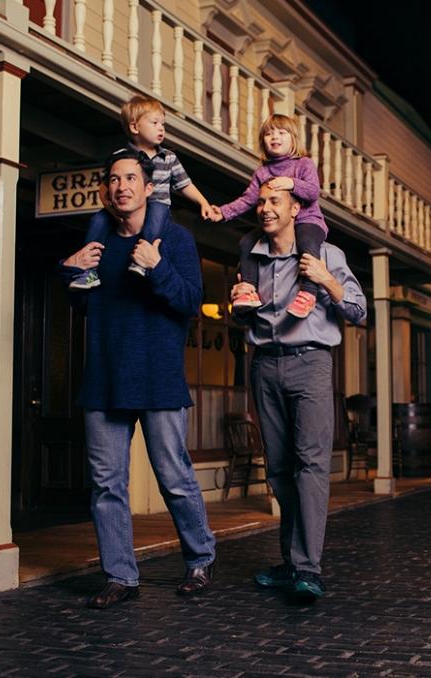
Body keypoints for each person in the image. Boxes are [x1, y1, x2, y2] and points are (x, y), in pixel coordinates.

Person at [59, 149, 216, 609]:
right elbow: (84, 304)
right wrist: (70, 269)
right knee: (107, 484)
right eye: (114, 179)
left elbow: (190, 301)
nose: (122, 185)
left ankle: (201, 559)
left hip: (157, 377)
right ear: (107, 191)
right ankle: (120, 576)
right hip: (104, 379)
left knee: (174, 476)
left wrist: (156, 266)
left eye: (131, 178)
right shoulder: (98, 243)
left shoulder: (175, 238)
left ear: (149, 188)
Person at [230, 184, 366, 602]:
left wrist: (327, 281)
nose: (265, 208)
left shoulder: (326, 253)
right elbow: (245, 320)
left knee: (311, 466)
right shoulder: (251, 256)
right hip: (264, 365)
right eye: (261, 202)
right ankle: (291, 562)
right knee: (279, 469)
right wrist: (237, 300)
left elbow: (359, 311)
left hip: (311, 362)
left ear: (296, 208)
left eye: (275, 202)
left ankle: (308, 568)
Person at [70, 94, 213, 288]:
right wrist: (114, 213)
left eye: (163, 124)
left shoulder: (168, 157)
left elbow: (184, 184)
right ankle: (88, 270)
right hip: (124, 211)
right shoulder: (120, 158)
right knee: (98, 220)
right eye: (155, 123)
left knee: (157, 211)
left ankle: (142, 261)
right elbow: (104, 189)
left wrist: (203, 203)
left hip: (158, 206)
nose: (161, 128)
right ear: (135, 127)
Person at [211, 114, 328, 319]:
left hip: (307, 220)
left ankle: (309, 292)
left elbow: (312, 192)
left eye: (282, 133)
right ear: (263, 141)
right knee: (247, 241)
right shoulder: (262, 172)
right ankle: (248, 288)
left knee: (307, 243)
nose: (275, 137)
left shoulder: (304, 164)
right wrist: (222, 212)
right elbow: (248, 199)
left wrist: (290, 183)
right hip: (277, 223)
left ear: (293, 139)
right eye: (269, 133)